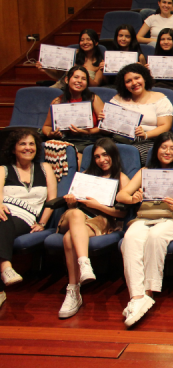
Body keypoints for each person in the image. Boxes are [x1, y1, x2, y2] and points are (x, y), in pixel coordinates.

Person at [117, 132, 173, 327]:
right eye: (163, 147)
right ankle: (137, 297)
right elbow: (121, 196)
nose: (167, 152)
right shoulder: (145, 171)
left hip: (172, 219)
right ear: (156, 150)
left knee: (156, 236)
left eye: (172, 148)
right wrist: (133, 199)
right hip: (144, 217)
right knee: (130, 238)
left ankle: (148, 292)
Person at [56, 139, 129, 319]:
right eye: (97, 156)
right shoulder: (86, 175)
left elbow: (122, 214)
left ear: (113, 155)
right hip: (77, 215)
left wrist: (98, 205)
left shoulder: (121, 178)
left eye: (105, 155)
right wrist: (71, 202)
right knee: (75, 214)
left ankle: (73, 291)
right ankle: (84, 263)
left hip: (102, 219)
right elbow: (73, 208)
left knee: (68, 239)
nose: (101, 160)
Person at [0, 130, 57, 308]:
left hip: (25, 217)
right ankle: (5, 271)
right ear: (13, 149)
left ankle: (5, 271)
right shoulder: (3, 170)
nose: (28, 148)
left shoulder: (45, 168)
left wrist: (42, 222)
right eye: (23, 144)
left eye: (31, 144)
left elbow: (52, 201)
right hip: (3, 211)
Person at [41, 65, 105, 166]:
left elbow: (105, 127)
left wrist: (87, 131)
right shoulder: (58, 101)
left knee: (77, 158)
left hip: (89, 140)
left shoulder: (94, 99)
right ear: (67, 80)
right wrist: (51, 134)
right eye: (76, 77)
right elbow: (46, 127)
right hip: (66, 139)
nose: (79, 81)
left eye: (83, 79)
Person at [111, 63, 173, 164]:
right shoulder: (117, 99)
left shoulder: (159, 98)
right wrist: (104, 119)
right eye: (128, 81)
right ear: (124, 85)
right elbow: (109, 127)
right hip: (120, 140)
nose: (134, 83)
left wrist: (145, 134)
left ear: (144, 78)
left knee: (134, 154)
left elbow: (165, 126)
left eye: (137, 78)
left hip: (149, 141)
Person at [37, 29, 105, 88]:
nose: (85, 43)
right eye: (82, 40)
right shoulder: (71, 55)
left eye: (88, 39)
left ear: (96, 43)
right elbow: (58, 76)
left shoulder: (100, 62)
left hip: (82, 91)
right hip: (61, 87)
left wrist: (84, 72)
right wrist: (46, 69)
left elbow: (95, 85)